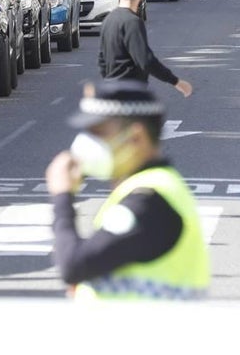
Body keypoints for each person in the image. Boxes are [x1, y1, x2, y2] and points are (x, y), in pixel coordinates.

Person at [45, 79, 210, 300]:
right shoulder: (142, 189)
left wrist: (62, 196)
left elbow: (74, 264)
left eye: (99, 132)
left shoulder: (149, 201)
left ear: (136, 137)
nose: (87, 142)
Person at [98, 0, 193, 97]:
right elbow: (145, 59)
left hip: (110, 91)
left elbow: (102, 59)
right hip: (130, 93)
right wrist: (176, 82)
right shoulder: (132, 22)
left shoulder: (108, 20)